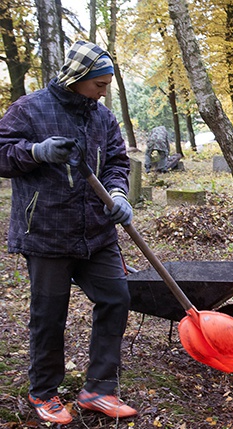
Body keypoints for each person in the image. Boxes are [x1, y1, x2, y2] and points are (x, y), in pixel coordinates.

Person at [0, 40, 137, 424]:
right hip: (46, 231)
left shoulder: (102, 118)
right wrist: (36, 152)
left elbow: (116, 161)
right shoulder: (29, 109)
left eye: (108, 84)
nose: (104, 91)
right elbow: (1, 152)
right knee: (49, 314)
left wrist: (117, 193)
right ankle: (43, 393)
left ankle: (99, 389)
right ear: (78, 79)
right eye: (100, 84)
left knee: (116, 298)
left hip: (96, 231)